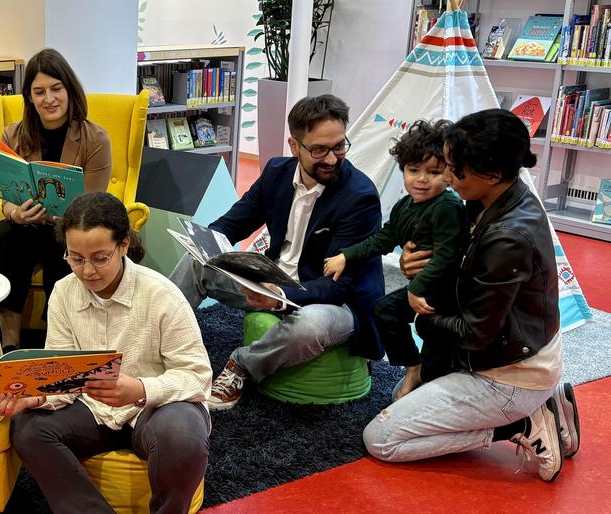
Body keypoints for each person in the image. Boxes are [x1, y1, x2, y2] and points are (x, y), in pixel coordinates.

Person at [363, 109, 580, 483]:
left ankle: (521, 423)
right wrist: (415, 262)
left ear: (492, 173)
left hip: (507, 373)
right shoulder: (492, 199)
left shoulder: (508, 235)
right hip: (511, 349)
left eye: (453, 169)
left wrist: (421, 318)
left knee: (381, 439)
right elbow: (456, 260)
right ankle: (543, 404)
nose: (445, 177)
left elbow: (476, 331)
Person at [0, 192, 212, 514]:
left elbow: (198, 376)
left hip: (155, 410)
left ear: (124, 245)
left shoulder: (163, 296)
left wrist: (142, 389)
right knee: (29, 427)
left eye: (100, 257)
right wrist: (35, 398)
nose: (87, 270)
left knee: (183, 434)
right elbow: (60, 375)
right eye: (75, 258)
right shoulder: (63, 293)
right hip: (90, 409)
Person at [168, 94, 385, 411]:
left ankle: (241, 366)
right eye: (319, 149)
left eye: (339, 146)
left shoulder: (360, 197)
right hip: (273, 279)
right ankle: (161, 341)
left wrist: (280, 295)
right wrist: (206, 243)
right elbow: (235, 221)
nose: (332, 158)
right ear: (294, 146)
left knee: (309, 326)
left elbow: (340, 283)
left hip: (336, 301)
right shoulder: (276, 173)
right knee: (196, 263)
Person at [322, 119, 466, 400]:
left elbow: (447, 257)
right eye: (414, 170)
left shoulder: (447, 207)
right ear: (403, 170)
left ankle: (429, 385)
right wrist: (346, 256)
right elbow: (383, 239)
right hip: (425, 290)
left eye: (434, 172)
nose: (422, 179)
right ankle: (414, 367)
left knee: (436, 344)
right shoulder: (405, 206)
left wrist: (415, 288)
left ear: (448, 174)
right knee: (385, 310)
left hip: (447, 291)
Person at [0, 48, 112, 352]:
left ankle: (58, 340)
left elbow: (96, 202)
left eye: (56, 89)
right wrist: (15, 212)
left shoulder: (96, 139)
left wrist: (62, 217)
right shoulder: (13, 134)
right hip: (26, 226)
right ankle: (10, 341)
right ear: (29, 96)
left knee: (66, 246)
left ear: (69, 89)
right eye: (39, 92)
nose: (49, 99)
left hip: (70, 228)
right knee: (6, 235)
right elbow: (5, 197)